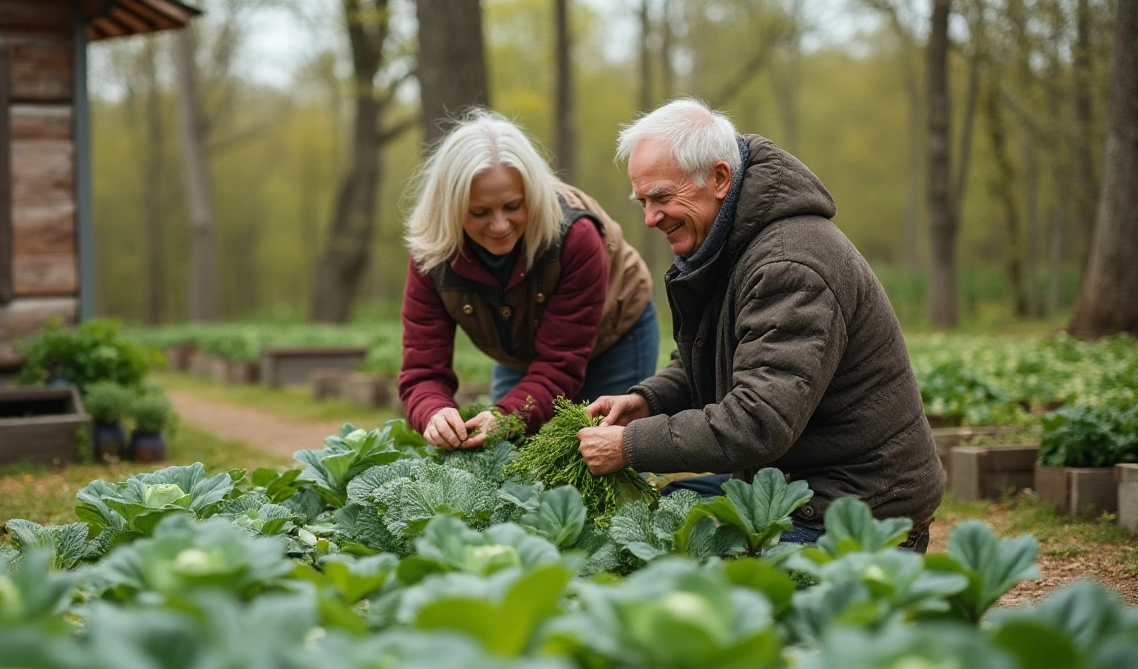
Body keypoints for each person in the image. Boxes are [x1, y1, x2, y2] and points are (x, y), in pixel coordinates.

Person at [577, 98, 943, 551]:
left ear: (719, 179)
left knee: (675, 564)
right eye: (642, 201)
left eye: (662, 198)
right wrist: (646, 402)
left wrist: (629, 446)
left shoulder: (790, 264)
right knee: (664, 512)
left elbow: (758, 421)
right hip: (792, 488)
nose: (649, 218)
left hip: (857, 514)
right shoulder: (726, 243)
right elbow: (716, 357)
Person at [399, 110, 659, 451]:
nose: (499, 225)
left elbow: (559, 363)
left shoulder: (575, 237)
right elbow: (422, 368)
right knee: (511, 462)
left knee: (604, 459)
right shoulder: (432, 254)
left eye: (512, 206)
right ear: (450, 208)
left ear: (531, 195)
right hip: (521, 351)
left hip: (614, 336)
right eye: (479, 213)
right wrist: (433, 412)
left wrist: (507, 415)